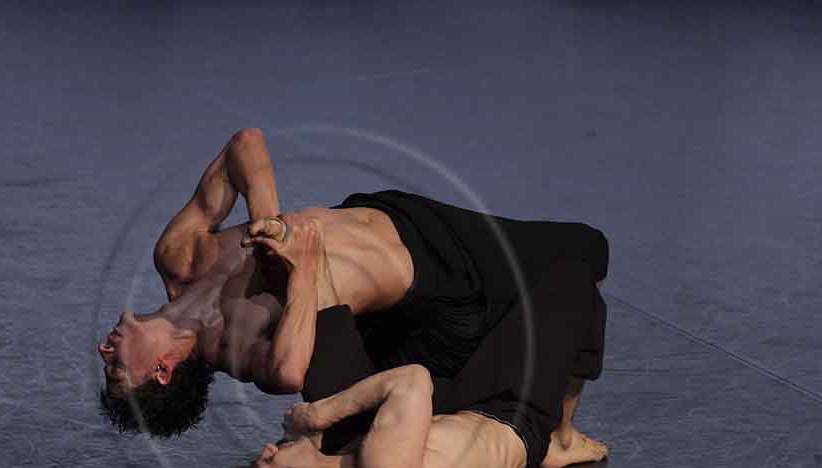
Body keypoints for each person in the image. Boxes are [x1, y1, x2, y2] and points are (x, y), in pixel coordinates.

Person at [97, 127, 608, 437]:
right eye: (117, 371)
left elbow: (244, 146)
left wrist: (269, 219)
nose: (105, 351)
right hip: (436, 279)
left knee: (587, 253)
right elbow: (292, 373)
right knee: (585, 254)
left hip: (389, 211)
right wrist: (300, 271)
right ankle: (560, 437)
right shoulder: (234, 349)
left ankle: (558, 434)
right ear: (162, 371)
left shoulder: (179, 257)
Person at [213, 259, 609, 468]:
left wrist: (310, 445)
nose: (266, 450)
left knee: (326, 348)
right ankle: (562, 437)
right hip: (511, 412)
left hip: (442, 423)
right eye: (265, 463)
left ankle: (316, 274)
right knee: (573, 276)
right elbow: (412, 379)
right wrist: (317, 416)